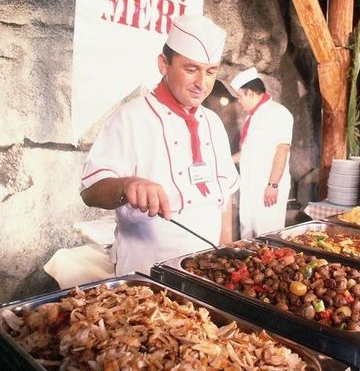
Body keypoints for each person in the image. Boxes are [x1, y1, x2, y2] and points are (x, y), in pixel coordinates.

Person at [80, 14, 240, 275]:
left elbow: (224, 196)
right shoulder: (130, 117)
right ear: (163, 64)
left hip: (208, 268)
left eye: (211, 72)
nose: (203, 83)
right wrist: (125, 185)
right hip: (147, 270)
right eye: (191, 70)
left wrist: (226, 249)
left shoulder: (213, 122)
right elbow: (90, 192)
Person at [230, 67, 294, 239]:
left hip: (267, 188)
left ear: (250, 93)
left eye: (240, 96)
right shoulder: (253, 117)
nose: (239, 102)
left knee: (267, 236)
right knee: (247, 235)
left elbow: (282, 150)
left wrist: (273, 185)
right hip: (250, 186)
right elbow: (248, 152)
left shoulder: (278, 113)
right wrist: (224, 161)